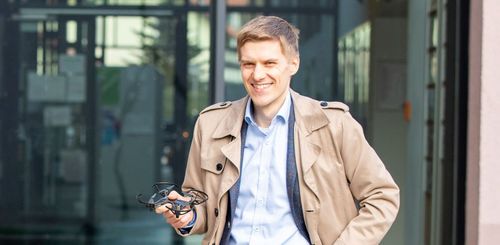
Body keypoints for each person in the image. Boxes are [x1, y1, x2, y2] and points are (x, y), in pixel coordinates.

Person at [155, 15, 400, 245]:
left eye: (269, 63)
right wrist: (188, 217)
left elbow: (382, 196)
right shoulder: (210, 124)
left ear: (293, 64)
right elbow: (202, 204)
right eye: (248, 64)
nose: (257, 74)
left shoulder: (335, 124)